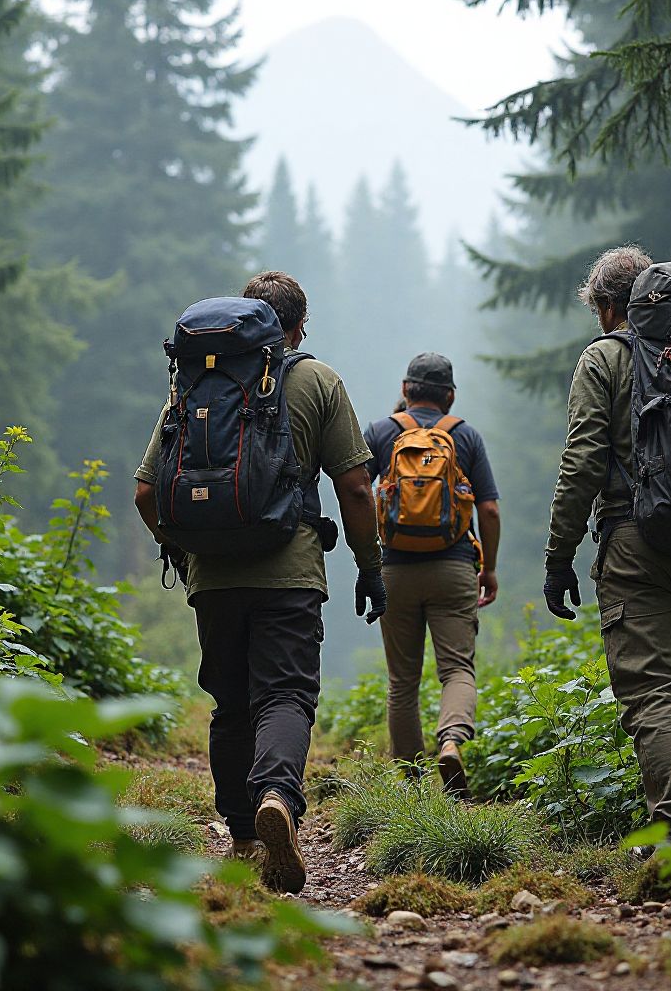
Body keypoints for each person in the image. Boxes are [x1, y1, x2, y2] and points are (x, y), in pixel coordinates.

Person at [133, 270, 386, 893]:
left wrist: (181, 548)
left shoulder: (196, 380)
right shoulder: (317, 381)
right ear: (297, 326)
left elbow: (145, 492)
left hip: (213, 576)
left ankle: (243, 835)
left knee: (231, 700)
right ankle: (277, 794)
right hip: (290, 569)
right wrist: (370, 565)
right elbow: (355, 485)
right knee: (285, 695)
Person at [542, 246, 671, 829]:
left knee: (651, 695)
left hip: (636, 548)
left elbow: (582, 462)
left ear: (610, 307)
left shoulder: (605, 358)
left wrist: (559, 558)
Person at [364, 353, 500, 794]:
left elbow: (356, 493)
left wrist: (369, 560)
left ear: (405, 391)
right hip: (454, 565)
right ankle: (451, 743)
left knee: (402, 680)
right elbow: (490, 508)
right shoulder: (465, 436)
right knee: (456, 669)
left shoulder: (382, 432)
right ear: (450, 396)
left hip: (396, 571)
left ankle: (410, 780)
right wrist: (490, 568)